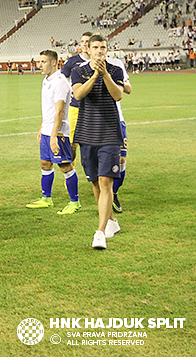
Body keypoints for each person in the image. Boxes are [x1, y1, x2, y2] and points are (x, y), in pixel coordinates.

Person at [71, 34, 124, 249]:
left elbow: (118, 95)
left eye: (103, 47)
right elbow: (79, 94)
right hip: (87, 132)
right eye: (96, 47)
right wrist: (94, 76)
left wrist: (105, 76)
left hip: (110, 133)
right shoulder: (79, 70)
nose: (100, 51)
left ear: (107, 49)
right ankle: (111, 220)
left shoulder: (115, 69)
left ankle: (100, 232)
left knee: (106, 181)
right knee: (94, 181)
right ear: (88, 49)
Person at [25, 50, 82, 214]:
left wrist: (53, 136)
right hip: (48, 129)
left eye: (43, 62)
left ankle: (75, 202)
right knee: (45, 163)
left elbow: (59, 111)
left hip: (58, 133)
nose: (40, 65)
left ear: (54, 63)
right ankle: (46, 199)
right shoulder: (47, 80)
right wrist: (42, 126)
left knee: (65, 165)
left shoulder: (60, 82)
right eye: (39, 61)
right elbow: (49, 109)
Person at [60, 31, 92, 161]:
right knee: (72, 143)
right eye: (83, 41)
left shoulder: (100, 62)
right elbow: (61, 80)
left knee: (91, 144)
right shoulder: (72, 61)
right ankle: (70, 174)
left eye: (87, 41)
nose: (84, 44)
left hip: (94, 108)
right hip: (75, 107)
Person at [107, 56, 132, 213]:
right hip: (96, 122)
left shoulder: (116, 64)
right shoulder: (83, 67)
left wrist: (122, 85)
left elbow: (128, 88)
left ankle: (114, 193)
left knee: (121, 158)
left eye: (102, 47)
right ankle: (104, 193)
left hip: (117, 119)